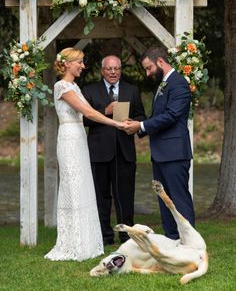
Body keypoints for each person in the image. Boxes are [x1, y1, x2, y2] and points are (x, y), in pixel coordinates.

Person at [44, 48, 124, 261]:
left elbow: (92, 110)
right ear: (67, 64)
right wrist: (116, 123)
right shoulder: (61, 86)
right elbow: (88, 113)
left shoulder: (74, 86)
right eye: (79, 62)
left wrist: (111, 113)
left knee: (84, 185)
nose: (82, 65)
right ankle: (73, 242)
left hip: (80, 137)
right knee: (73, 186)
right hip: (69, 138)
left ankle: (86, 240)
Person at [124, 46, 195, 240]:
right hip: (161, 153)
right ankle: (172, 239)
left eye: (149, 68)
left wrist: (141, 125)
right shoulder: (163, 84)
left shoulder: (178, 83)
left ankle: (189, 242)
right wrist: (138, 126)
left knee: (178, 198)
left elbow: (172, 116)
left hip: (174, 153)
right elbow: (159, 116)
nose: (147, 73)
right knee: (165, 199)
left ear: (160, 62)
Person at [82, 55, 146, 245]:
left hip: (124, 151)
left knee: (125, 195)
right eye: (109, 69)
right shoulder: (89, 90)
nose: (113, 72)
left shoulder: (132, 90)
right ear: (102, 70)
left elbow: (141, 115)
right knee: (101, 196)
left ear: (120, 70)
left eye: (116, 69)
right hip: (99, 152)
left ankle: (127, 236)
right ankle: (104, 236)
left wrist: (133, 123)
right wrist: (105, 112)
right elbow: (84, 120)